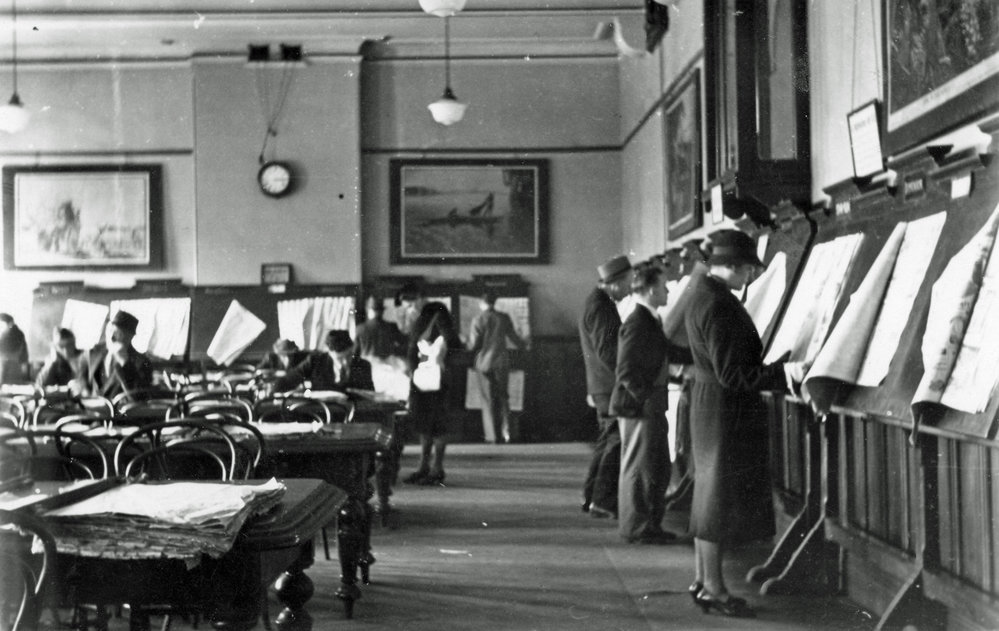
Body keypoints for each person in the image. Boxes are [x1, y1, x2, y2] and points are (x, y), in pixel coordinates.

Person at [683, 229, 806, 617]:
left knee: (708, 497)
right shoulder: (719, 304)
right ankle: (717, 591)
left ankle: (704, 581)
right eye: (748, 269)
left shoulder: (702, 293)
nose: (751, 277)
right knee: (717, 501)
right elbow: (734, 375)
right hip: (724, 411)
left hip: (709, 407)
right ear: (732, 267)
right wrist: (784, 374)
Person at [610, 260, 692, 544]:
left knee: (656, 466)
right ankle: (635, 527)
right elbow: (625, 371)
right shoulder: (637, 322)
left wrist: (699, 356)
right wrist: (645, 401)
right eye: (663, 285)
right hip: (639, 408)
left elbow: (666, 350)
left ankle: (650, 525)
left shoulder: (650, 319)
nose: (668, 289)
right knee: (639, 468)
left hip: (650, 404)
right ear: (649, 289)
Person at [578, 254, 632, 519]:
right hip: (610, 386)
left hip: (601, 386)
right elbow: (607, 352)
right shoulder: (601, 306)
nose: (631, 287)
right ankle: (603, 501)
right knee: (615, 441)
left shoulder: (597, 301)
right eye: (629, 282)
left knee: (606, 441)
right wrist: (629, 373)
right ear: (614, 283)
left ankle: (592, 496)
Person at [399, 282, 462, 486]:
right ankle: (425, 466)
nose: (409, 308)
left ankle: (436, 468)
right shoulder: (426, 319)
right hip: (425, 379)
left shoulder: (432, 318)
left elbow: (451, 345)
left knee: (436, 425)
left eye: (410, 304)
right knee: (425, 425)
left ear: (417, 300)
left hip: (434, 379)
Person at [468, 289, 526, 444]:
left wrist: (463, 343)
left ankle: (493, 436)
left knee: (487, 399)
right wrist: (523, 344)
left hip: (483, 364)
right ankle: (507, 433)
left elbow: (473, 345)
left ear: (481, 303)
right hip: (501, 361)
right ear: (494, 302)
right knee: (503, 397)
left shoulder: (478, 319)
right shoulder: (503, 317)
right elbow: (515, 339)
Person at [78, 310, 153, 399]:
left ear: (130, 337)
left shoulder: (142, 362)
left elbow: (138, 398)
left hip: (119, 411)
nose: (111, 337)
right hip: (92, 409)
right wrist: (83, 390)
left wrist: (124, 362)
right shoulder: (93, 352)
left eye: (118, 333)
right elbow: (81, 380)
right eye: (110, 330)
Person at [272, 330, 374, 393]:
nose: (345, 362)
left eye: (348, 356)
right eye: (339, 358)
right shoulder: (315, 361)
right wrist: (273, 391)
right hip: (320, 413)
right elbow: (287, 380)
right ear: (329, 352)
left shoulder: (364, 365)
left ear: (352, 349)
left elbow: (369, 395)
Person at [355, 295, 406, 361]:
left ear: (368, 310)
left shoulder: (360, 329)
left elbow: (356, 352)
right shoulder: (391, 327)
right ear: (382, 311)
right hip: (387, 367)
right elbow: (403, 347)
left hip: (367, 367)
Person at [0, 313, 29, 385]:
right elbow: (24, 356)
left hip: (7, 367)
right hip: (16, 368)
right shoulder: (19, 333)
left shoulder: (7, 333)